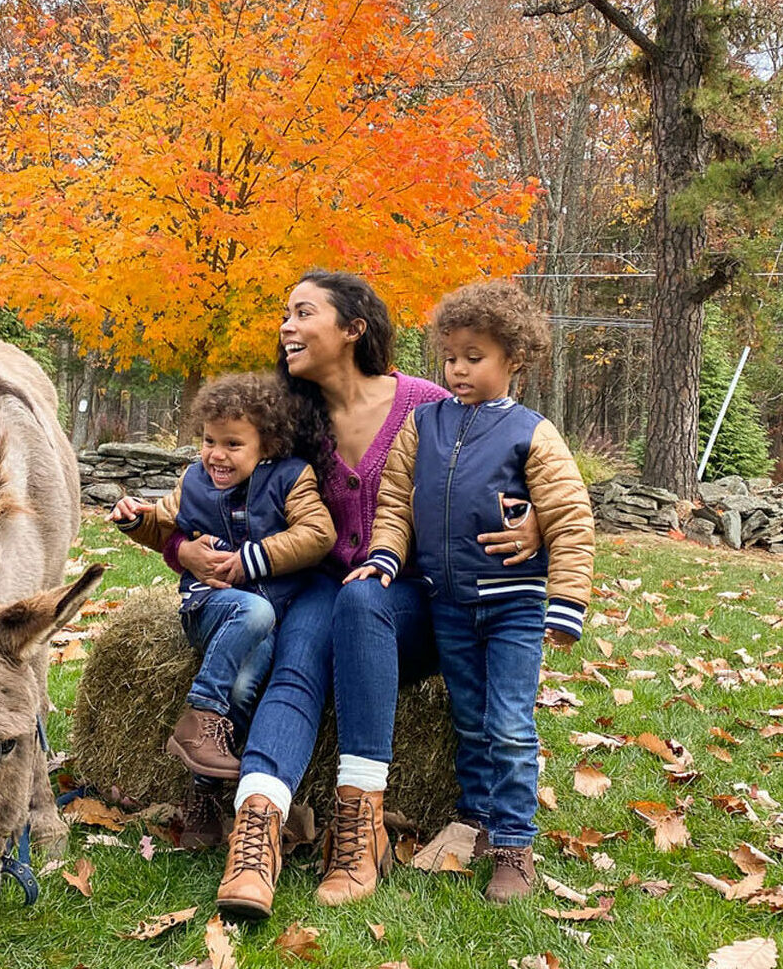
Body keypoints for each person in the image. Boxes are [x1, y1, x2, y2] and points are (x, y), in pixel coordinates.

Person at [176, 271, 546, 920]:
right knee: (298, 659)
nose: (286, 325)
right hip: (324, 589)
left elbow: (525, 454)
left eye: (303, 312)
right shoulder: (291, 424)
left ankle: (359, 821)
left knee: (361, 601)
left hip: (419, 602)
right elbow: (212, 497)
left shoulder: (430, 403)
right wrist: (177, 548)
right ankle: (257, 835)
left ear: (354, 327)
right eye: (283, 313)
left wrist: (538, 517)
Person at [346, 279, 595, 902]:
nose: (458, 369)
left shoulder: (532, 434)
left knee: (509, 723)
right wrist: (384, 555)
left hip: (511, 606)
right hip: (447, 604)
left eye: (474, 357)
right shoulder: (422, 424)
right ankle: (475, 818)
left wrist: (566, 603)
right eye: (450, 356)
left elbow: (568, 515)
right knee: (468, 716)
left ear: (514, 358)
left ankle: (515, 843)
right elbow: (397, 501)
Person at [110, 374, 335, 783]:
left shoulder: (290, 478)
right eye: (210, 441)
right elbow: (161, 525)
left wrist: (254, 559)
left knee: (243, 685)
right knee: (253, 610)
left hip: (268, 618)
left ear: (266, 445)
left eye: (233, 444)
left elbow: (319, 533)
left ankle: (206, 784)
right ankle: (200, 709)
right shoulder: (193, 481)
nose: (217, 455)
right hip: (209, 609)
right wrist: (134, 519)